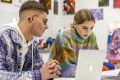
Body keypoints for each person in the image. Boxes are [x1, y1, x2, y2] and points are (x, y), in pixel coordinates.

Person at [0, 1, 60, 80]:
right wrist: (39, 75)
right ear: (31, 19)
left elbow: (40, 70)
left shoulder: (32, 43)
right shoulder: (4, 37)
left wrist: (50, 71)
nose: (47, 26)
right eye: (44, 21)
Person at [49, 9, 114, 77]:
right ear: (75, 24)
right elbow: (66, 69)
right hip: (58, 76)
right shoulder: (64, 35)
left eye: (91, 28)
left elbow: (95, 60)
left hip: (81, 75)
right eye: (84, 28)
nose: (88, 32)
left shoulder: (92, 36)